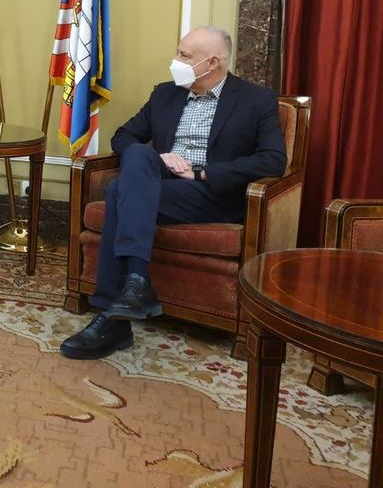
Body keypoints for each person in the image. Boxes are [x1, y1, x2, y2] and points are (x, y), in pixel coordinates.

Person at [59, 26, 287, 360]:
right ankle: (135, 285)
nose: (175, 61)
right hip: (160, 182)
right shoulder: (165, 93)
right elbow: (123, 136)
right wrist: (161, 157)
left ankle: (113, 316)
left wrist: (203, 172)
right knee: (138, 155)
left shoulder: (256, 100)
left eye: (184, 55)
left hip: (210, 193)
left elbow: (273, 160)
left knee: (120, 191)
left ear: (212, 63)